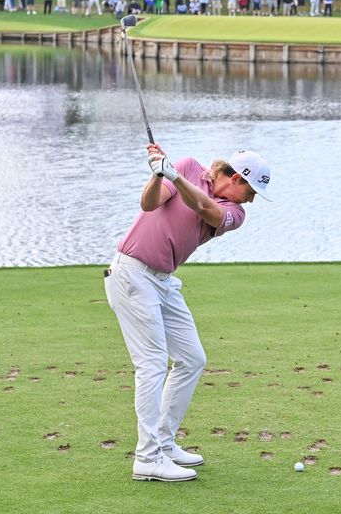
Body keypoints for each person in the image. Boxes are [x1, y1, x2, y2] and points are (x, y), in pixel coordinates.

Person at [105, 145, 272, 482]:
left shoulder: (233, 213)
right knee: (152, 364)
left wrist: (174, 176)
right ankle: (147, 457)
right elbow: (148, 204)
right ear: (235, 177)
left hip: (163, 281)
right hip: (132, 273)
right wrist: (158, 173)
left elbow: (204, 208)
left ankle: (164, 443)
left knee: (193, 358)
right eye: (250, 191)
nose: (251, 200)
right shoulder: (187, 167)